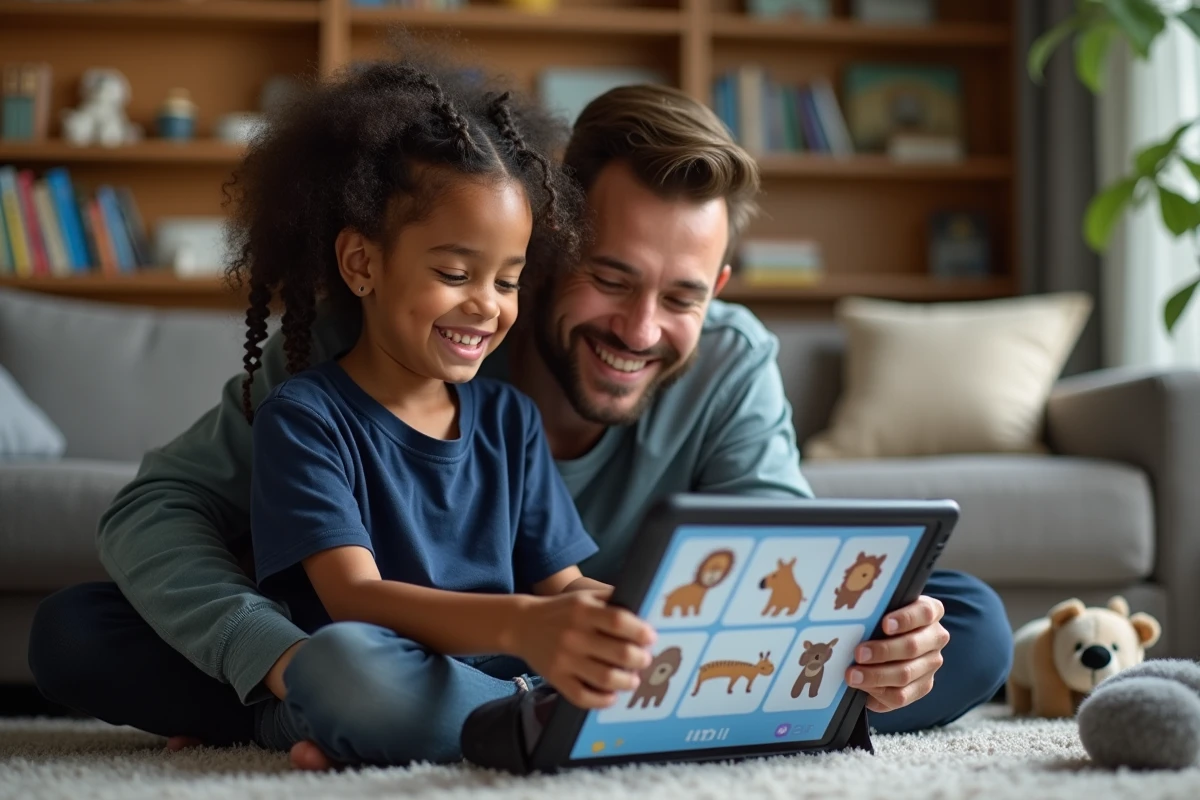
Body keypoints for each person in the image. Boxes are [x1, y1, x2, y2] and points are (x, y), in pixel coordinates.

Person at [27, 49, 1013, 769]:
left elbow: (781, 567)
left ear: (718, 285)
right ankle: (416, 712)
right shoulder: (365, 344)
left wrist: (878, 643)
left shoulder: (723, 365)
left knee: (968, 621)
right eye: (610, 278)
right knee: (77, 631)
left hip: (613, 654)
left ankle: (510, 719)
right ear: (548, 250)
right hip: (392, 643)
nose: (639, 327)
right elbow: (152, 514)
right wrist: (282, 661)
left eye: (682, 296)